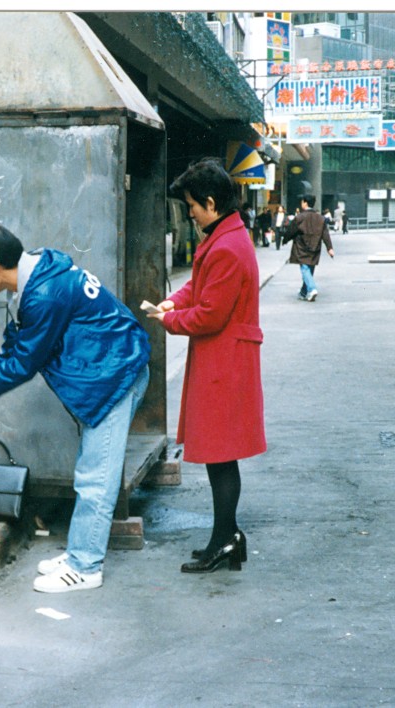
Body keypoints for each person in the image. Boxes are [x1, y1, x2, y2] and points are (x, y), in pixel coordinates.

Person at [0, 224, 151, 593]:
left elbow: (24, 361)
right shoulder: (36, 273)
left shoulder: (43, 294)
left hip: (116, 374)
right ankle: (78, 553)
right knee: (91, 469)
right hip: (107, 369)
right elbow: (15, 345)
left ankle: (85, 566)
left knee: (95, 476)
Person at [146, 157, 265, 574]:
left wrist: (169, 320)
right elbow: (199, 286)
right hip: (224, 358)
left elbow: (211, 314)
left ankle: (226, 539)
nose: (191, 212)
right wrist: (173, 301)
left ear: (211, 203)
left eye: (193, 205)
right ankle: (227, 538)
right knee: (219, 454)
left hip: (224, 361)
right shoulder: (226, 236)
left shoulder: (227, 246)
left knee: (221, 453)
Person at [283, 194, 334, 302]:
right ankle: (303, 292)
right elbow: (325, 234)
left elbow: (291, 231)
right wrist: (329, 248)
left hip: (301, 246)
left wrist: (285, 239)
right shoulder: (320, 218)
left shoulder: (300, 217)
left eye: (302, 202)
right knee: (309, 270)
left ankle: (312, 289)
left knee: (305, 269)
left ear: (305, 203)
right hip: (315, 246)